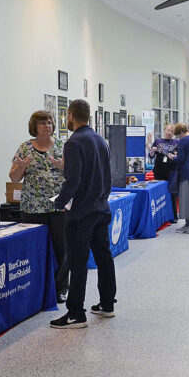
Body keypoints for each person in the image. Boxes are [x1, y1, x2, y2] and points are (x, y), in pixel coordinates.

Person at [50, 99, 116, 329]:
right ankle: (107, 304)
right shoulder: (100, 139)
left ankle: (76, 313)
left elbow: (73, 180)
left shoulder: (74, 142)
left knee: (77, 263)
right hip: (101, 207)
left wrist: (59, 202)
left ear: (70, 115)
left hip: (82, 213)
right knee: (103, 257)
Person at [9, 110, 68, 304]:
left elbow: (73, 173)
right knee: (33, 247)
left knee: (62, 248)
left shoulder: (61, 145)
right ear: (34, 126)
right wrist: (23, 166)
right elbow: (14, 178)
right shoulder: (25, 148)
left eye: (50, 122)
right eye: (43, 123)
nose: (47, 126)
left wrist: (61, 167)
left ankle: (61, 288)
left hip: (58, 206)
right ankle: (34, 285)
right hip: (32, 206)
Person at [149, 124, 180, 222]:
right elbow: (151, 156)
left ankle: (173, 216)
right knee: (159, 191)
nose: (169, 132)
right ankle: (159, 216)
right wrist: (152, 151)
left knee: (172, 193)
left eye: (171, 131)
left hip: (171, 170)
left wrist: (175, 155)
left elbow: (179, 156)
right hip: (159, 170)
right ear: (164, 130)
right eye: (168, 130)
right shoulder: (158, 141)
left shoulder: (177, 142)